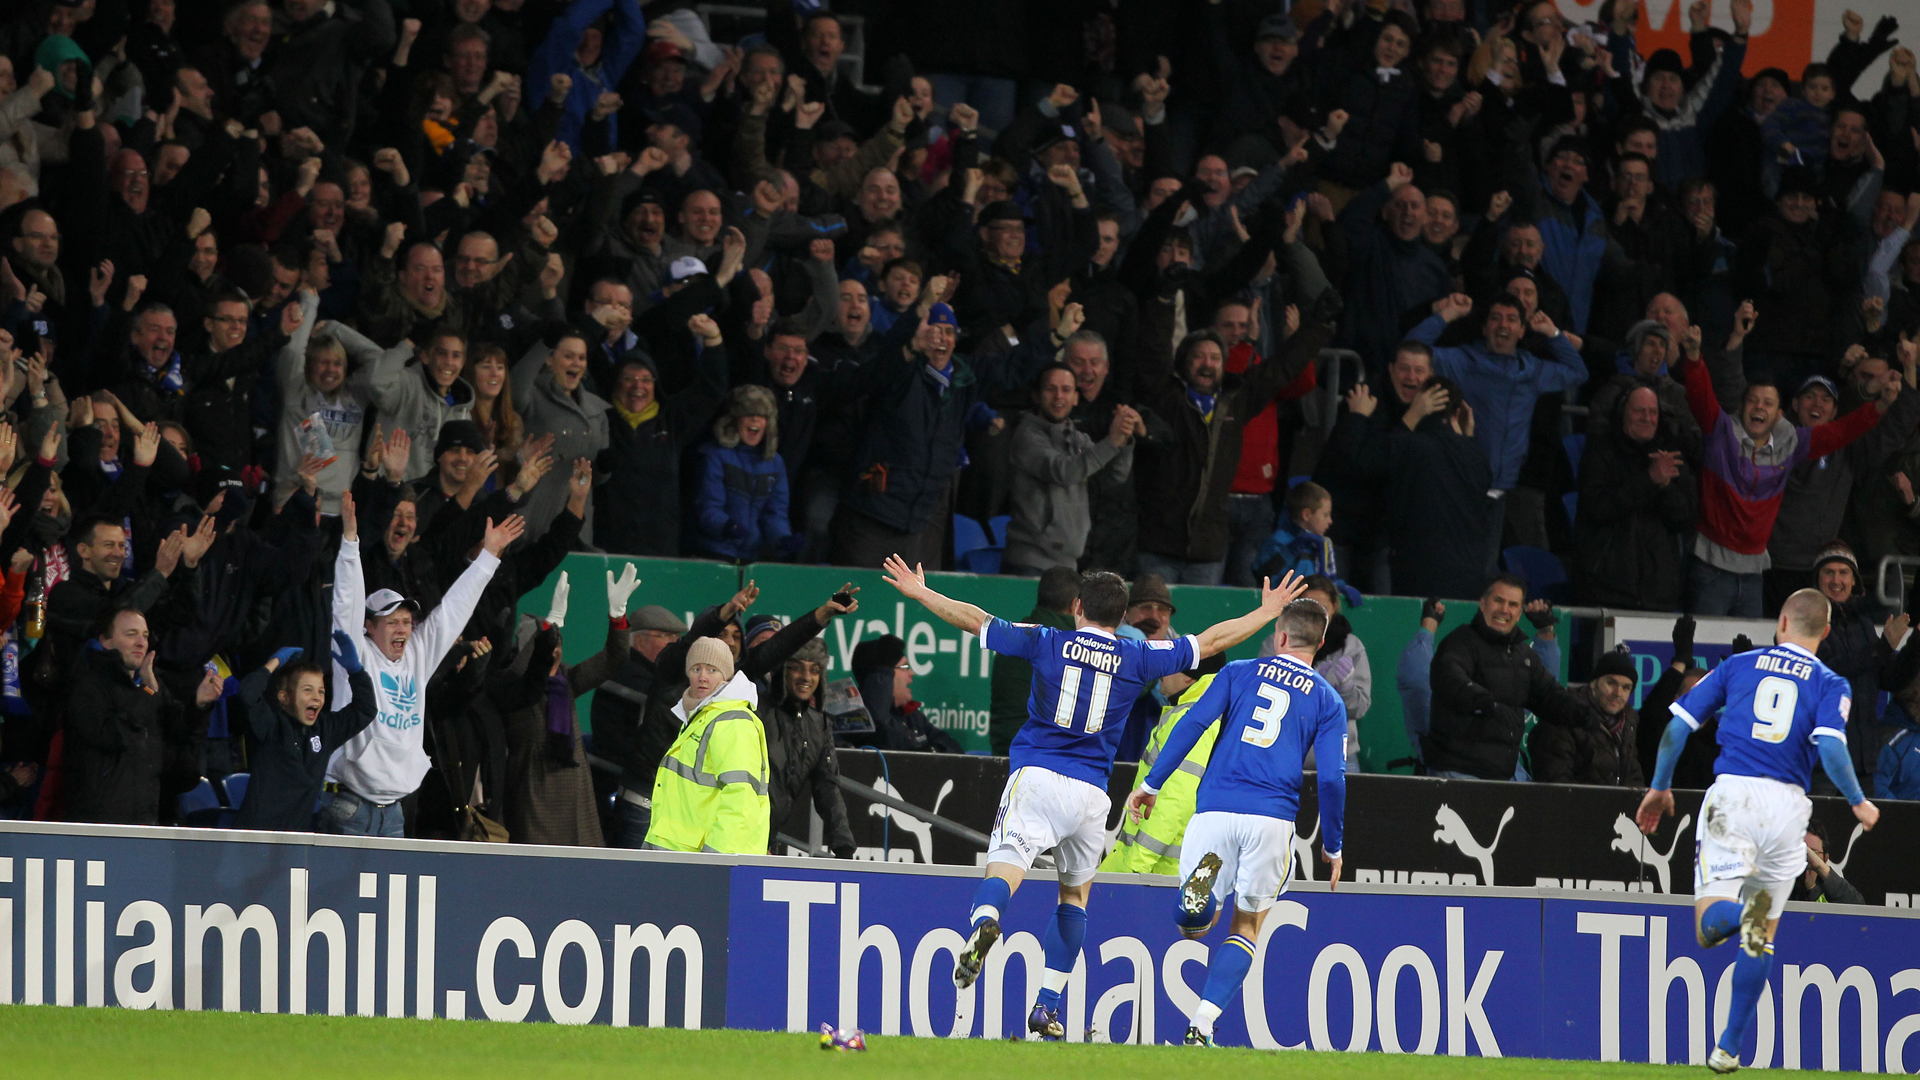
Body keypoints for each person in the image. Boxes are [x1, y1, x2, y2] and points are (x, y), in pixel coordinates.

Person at [881, 553, 1303, 1040]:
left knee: (1006, 865)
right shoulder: (1138, 656)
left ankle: (987, 919)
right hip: (1090, 796)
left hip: (1038, 776)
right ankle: (1046, 1008)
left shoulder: (1045, 640)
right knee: (1075, 897)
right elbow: (1211, 641)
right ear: (1123, 619)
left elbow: (976, 619)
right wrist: (1267, 612)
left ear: (1077, 606)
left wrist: (921, 592)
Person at [1638, 588, 1880, 1075]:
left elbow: (1678, 726)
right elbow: (1831, 747)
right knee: (1759, 937)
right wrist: (1857, 800)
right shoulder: (1833, 683)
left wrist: (1660, 787)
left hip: (1736, 799)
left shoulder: (1740, 666)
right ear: (1826, 632)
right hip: (1790, 812)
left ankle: (1749, 916)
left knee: (1710, 928)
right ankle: (1728, 1046)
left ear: (1782, 624)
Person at [1124, 597, 1348, 1047]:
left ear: (1279, 635)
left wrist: (1150, 784)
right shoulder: (1328, 699)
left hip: (1215, 809)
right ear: (1320, 644)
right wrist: (1333, 844)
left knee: (1195, 924)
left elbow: (1192, 725)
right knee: (1247, 925)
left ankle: (1200, 895)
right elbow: (1331, 780)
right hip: (1271, 817)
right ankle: (1201, 1025)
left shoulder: (1237, 671)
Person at [323, 492, 521, 837]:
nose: (402, 628)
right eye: (391, 621)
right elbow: (346, 605)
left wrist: (488, 557)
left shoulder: (416, 655)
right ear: (368, 628)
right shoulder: (355, 656)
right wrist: (351, 544)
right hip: (350, 807)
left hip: (395, 813)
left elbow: (452, 613)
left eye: (406, 620)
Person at [62, 607, 224, 825]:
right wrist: (146, 692)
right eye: (131, 634)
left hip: (147, 823)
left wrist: (199, 704)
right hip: (100, 826)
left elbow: (178, 734)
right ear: (106, 641)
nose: (141, 642)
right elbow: (111, 737)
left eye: (145, 635)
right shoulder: (87, 687)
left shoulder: (151, 686)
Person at [1426, 574, 1585, 781]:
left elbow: (1548, 695)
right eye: (1498, 600)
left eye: (1513, 604)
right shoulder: (1460, 642)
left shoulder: (1523, 655)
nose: (1504, 610)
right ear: (1483, 604)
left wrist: (1584, 715)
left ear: (1519, 613)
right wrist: (1483, 702)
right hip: (1459, 773)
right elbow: (1450, 678)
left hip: (1503, 775)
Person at [1003, 364, 1139, 576]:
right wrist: (1112, 442)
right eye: (1051, 389)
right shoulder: (1027, 436)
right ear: (1036, 396)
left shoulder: (1076, 437)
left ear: (1076, 397)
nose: (1059, 396)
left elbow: (1116, 474)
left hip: (1068, 563)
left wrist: (1124, 440)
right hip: (1030, 561)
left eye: (1066, 390)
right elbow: (1064, 472)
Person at [231, 632, 376, 832]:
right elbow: (248, 693)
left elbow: (366, 709)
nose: (317, 697)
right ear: (284, 697)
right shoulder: (271, 725)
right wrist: (274, 662)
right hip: (255, 838)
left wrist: (356, 671)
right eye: (307, 690)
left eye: (321, 691)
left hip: (295, 841)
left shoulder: (326, 729)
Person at [642, 636, 770, 855]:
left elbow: (741, 796)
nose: (702, 677)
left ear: (726, 676)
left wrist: (714, 855)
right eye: (696, 669)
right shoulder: (701, 715)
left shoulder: (732, 721)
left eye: (712, 670)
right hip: (679, 851)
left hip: (703, 857)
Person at [1100, 652, 1226, 875]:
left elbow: (1175, 800)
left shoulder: (1191, 718)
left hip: (1158, 874)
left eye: (1172, 666)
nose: (1162, 673)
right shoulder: (1201, 713)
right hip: (1161, 870)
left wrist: (1136, 868)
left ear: (1189, 677)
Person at [765, 639, 856, 858]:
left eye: (815, 670)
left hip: (769, 838)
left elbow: (828, 788)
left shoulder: (818, 724)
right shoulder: (757, 712)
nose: (806, 677)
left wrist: (844, 847)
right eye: (796, 668)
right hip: (737, 837)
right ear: (781, 672)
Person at [988, 567, 1080, 756]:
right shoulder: (1071, 646)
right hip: (1044, 759)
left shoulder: (1010, 637)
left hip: (1004, 754)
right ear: (1074, 606)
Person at [1529, 648, 1645, 787]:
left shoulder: (1628, 723)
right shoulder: (1563, 716)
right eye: (1611, 683)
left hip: (1615, 808)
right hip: (1575, 807)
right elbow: (1556, 783)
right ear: (1593, 684)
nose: (1618, 693)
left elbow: (1634, 778)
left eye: (1626, 687)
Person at [1788, 819, 1866, 905]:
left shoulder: (1831, 888)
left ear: (1825, 858)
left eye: (1813, 852)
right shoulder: (1783, 879)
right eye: (1802, 849)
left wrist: (1818, 869)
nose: (1807, 856)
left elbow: (1858, 906)